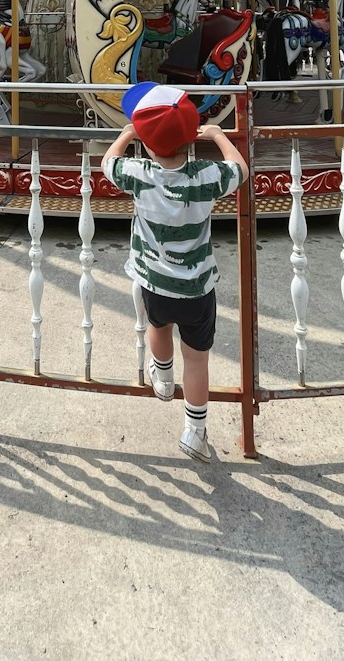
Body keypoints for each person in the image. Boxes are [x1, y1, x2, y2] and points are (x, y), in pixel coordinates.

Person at [101, 82, 249, 464]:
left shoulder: (139, 174)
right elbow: (240, 169)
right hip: (197, 287)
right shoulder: (205, 177)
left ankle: (163, 380)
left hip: (155, 282)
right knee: (197, 359)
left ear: (147, 144)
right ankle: (195, 431)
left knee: (157, 327)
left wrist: (126, 133)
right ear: (190, 137)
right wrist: (218, 136)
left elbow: (108, 163)